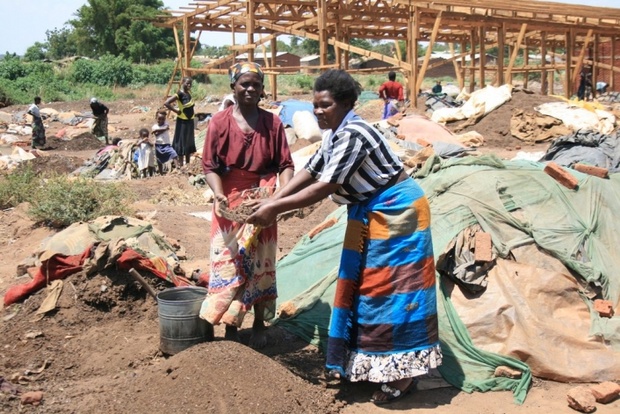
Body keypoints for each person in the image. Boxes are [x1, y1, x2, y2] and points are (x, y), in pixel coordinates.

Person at [247, 69, 442, 405]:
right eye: (315, 106)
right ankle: (369, 363)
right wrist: (274, 200)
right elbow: (310, 170)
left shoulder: (355, 134)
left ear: (347, 104)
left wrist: (274, 210)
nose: (319, 112)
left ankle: (404, 374)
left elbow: (325, 187)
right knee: (362, 286)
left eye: (326, 106)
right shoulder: (335, 135)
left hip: (398, 213)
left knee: (391, 288)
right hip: (370, 211)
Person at [201, 62, 294, 349]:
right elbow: (209, 166)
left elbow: (285, 164)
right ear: (233, 86)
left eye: (256, 84)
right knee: (229, 262)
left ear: (263, 88)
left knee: (260, 261)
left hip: (263, 199)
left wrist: (281, 195)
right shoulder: (219, 122)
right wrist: (218, 194)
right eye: (245, 83)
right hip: (229, 201)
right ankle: (230, 325)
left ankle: (258, 323)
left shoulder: (273, 123)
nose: (251, 89)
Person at [164, 77, 196, 167]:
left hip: (190, 121)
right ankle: (181, 164)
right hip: (182, 122)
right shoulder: (179, 94)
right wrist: (176, 111)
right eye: (187, 83)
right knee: (182, 141)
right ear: (182, 83)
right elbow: (166, 103)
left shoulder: (189, 93)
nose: (189, 85)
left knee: (189, 141)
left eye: (190, 84)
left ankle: (188, 164)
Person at [152, 110, 179, 175]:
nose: (161, 120)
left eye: (163, 119)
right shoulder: (154, 126)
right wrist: (160, 130)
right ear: (156, 118)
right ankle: (161, 173)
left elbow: (165, 128)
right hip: (158, 144)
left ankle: (178, 168)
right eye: (159, 119)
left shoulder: (166, 124)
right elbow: (156, 134)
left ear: (165, 119)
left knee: (174, 153)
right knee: (159, 160)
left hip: (166, 144)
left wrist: (157, 130)